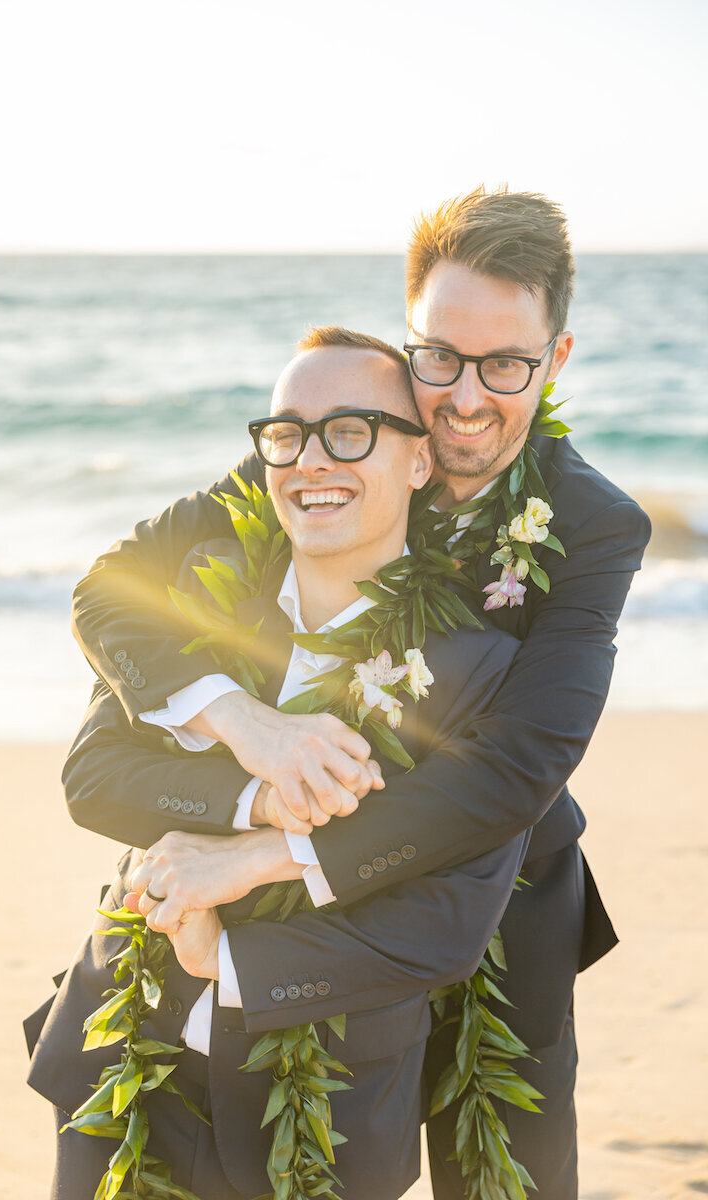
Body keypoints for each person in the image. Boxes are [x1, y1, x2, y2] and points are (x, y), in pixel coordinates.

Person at [61, 189, 651, 1197]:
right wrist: (239, 723)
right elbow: (108, 590)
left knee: (507, 1157)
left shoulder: (592, 524)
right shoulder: (321, 445)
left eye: (503, 364)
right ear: (407, 336)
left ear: (552, 360)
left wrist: (272, 848)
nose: (465, 398)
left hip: (497, 880)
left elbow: (516, 768)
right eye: (439, 358)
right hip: (290, 837)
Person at [26, 333, 532, 1200]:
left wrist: (220, 955)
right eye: (287, 434)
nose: (310, 461)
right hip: (119, 1060)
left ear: (420, 460)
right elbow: (95, 777)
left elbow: (446, 921)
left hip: (325, 1109)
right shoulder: (199, 589)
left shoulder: (477, 666)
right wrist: (255, 780)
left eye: (350, 431)